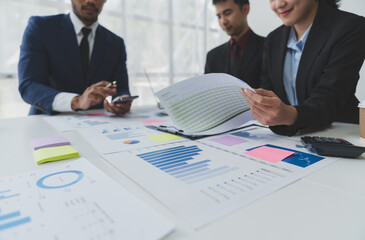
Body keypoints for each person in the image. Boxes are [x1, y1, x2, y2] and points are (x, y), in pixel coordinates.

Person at [242, 0, 365, 136]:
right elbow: (267, 89)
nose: (278, 5)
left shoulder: (351, 27)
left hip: (341, 132)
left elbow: (330, 95)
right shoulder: (273, 40)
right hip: (289, 137)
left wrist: (290, 115)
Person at [18, 0, 132, 115]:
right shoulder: (41, 28)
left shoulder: (115, 43)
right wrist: (77, 101)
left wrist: (122, 100)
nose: (90, 1)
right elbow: (29, 86)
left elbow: (119, 86)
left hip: (97, 123)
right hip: (47, 121)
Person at [205, 0, 265, 88]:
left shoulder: (268, 48)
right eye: (219, 16)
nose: (223, 21)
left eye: (227, 13)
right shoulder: (212, 56)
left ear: (245, 9)